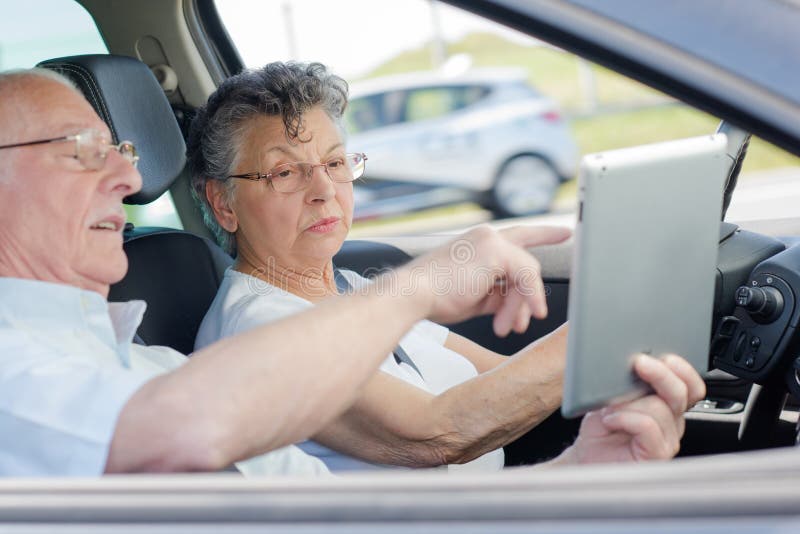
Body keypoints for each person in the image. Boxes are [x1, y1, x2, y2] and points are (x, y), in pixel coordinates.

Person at [0, 67, 702, 477]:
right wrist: (423, 284)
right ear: (223, 202)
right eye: (83, 151)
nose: (129, 175)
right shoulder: (37, 372)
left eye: (336, 164)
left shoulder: (144, 361)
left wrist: (582, 474)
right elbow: (438, 431)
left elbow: (358, 514)